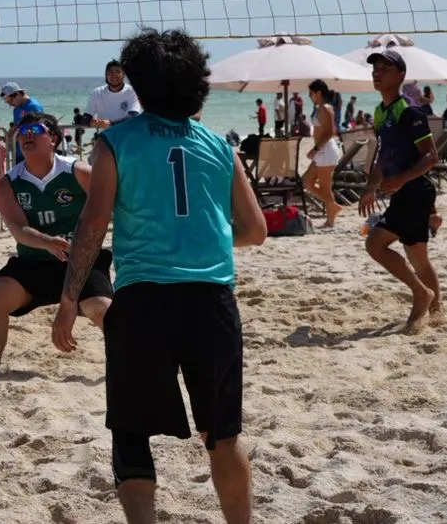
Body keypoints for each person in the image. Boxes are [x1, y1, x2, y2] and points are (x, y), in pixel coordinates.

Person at [52, 29, 264, 524]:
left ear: (140, 85)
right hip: (211, 303)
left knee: (130, 431)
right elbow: (254, 231)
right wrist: (199, 234)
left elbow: (91, 225)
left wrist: (68, 299)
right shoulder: (219, 145)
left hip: (144, 300)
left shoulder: (116, 141)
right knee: (223, 435)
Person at [0, 112, 111, 375]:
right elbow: (18, 229)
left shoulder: (79, 172)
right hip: (34, 263)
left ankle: (129, 367)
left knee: (102, 310)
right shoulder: (9, 183)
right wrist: (47, 242)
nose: (26, 133)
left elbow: (110, 209)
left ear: (53, 138)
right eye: (22, 130)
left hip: (80, 262)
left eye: (34, 129)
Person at [356, 49, 442, 333]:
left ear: (400, 76)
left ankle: (421, 294)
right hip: (411, 192)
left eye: (384, 69)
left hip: (415, 191)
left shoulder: (410, 111)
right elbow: (383, 154)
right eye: (375, 68)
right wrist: (371, 186)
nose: (376, 73)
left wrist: (401, 179)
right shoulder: (381, 112)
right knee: (418, 257)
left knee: (375, 244)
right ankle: (437, 310)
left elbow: (431, 157)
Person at [302, 79, 346, 227]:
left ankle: (330, 220)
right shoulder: (321, 108)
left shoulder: (325, 108)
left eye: (311, 93)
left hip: (325, 151)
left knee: (325, 187)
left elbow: (329, 133)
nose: (309, 96)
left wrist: (314, 150)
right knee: (307, 182)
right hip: (322, 151)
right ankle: (333, 206)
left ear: (318, 92)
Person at [84, 60, 141, 130]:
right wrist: (90, 121)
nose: (114, 75)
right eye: (110, 72)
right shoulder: (98, 92)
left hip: (127, 136)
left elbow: (133, 117)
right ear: (106, 76)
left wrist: (111, 123)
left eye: (118, 72)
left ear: (123, 75)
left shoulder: (132, 91)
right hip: (106, 137)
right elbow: (86, 116)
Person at [1, 81, 43, 165]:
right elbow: (17, 126)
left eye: (11, 101)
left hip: (32, 151)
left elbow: (38, 129)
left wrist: (19, 134)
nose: (11, 105)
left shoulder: (33, 107)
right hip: (19, 150)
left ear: (17, 94)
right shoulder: (16, 109)